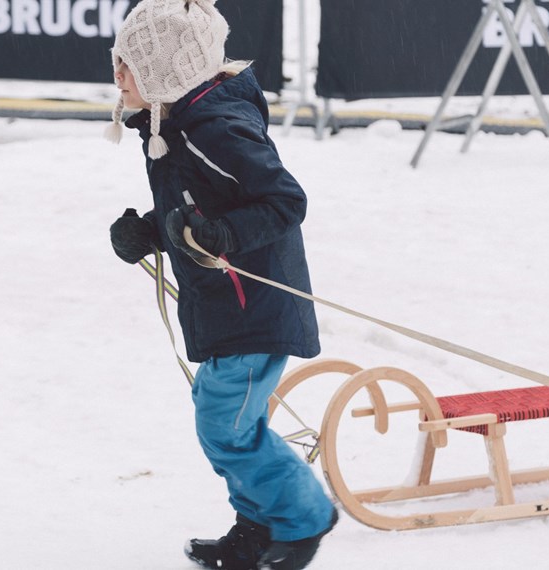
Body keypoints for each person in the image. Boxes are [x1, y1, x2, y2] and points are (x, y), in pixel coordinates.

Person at [104, 1, 337, 569]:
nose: (117, 77)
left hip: (255, 306)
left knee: (226, 426)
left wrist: (221, 234)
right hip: (226, 306)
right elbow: (197, 209)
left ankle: (303, 519)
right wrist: (152, 233)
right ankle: (255, 528)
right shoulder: (176, 124)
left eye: (128, 65)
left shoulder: (217, 127)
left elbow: (285, 202)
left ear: (165, 71)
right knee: (228, 422)